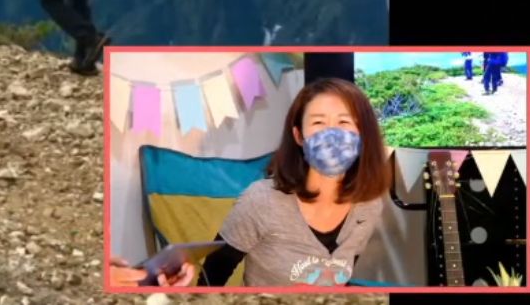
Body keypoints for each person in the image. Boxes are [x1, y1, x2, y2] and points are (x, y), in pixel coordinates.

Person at [156, 77, 393, 288]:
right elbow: (211, 278)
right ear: (299, 136)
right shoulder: (261, 201)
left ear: (362, 134)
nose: (332, 133)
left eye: (344, 122)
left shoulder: (368, 205)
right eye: (319, 123)